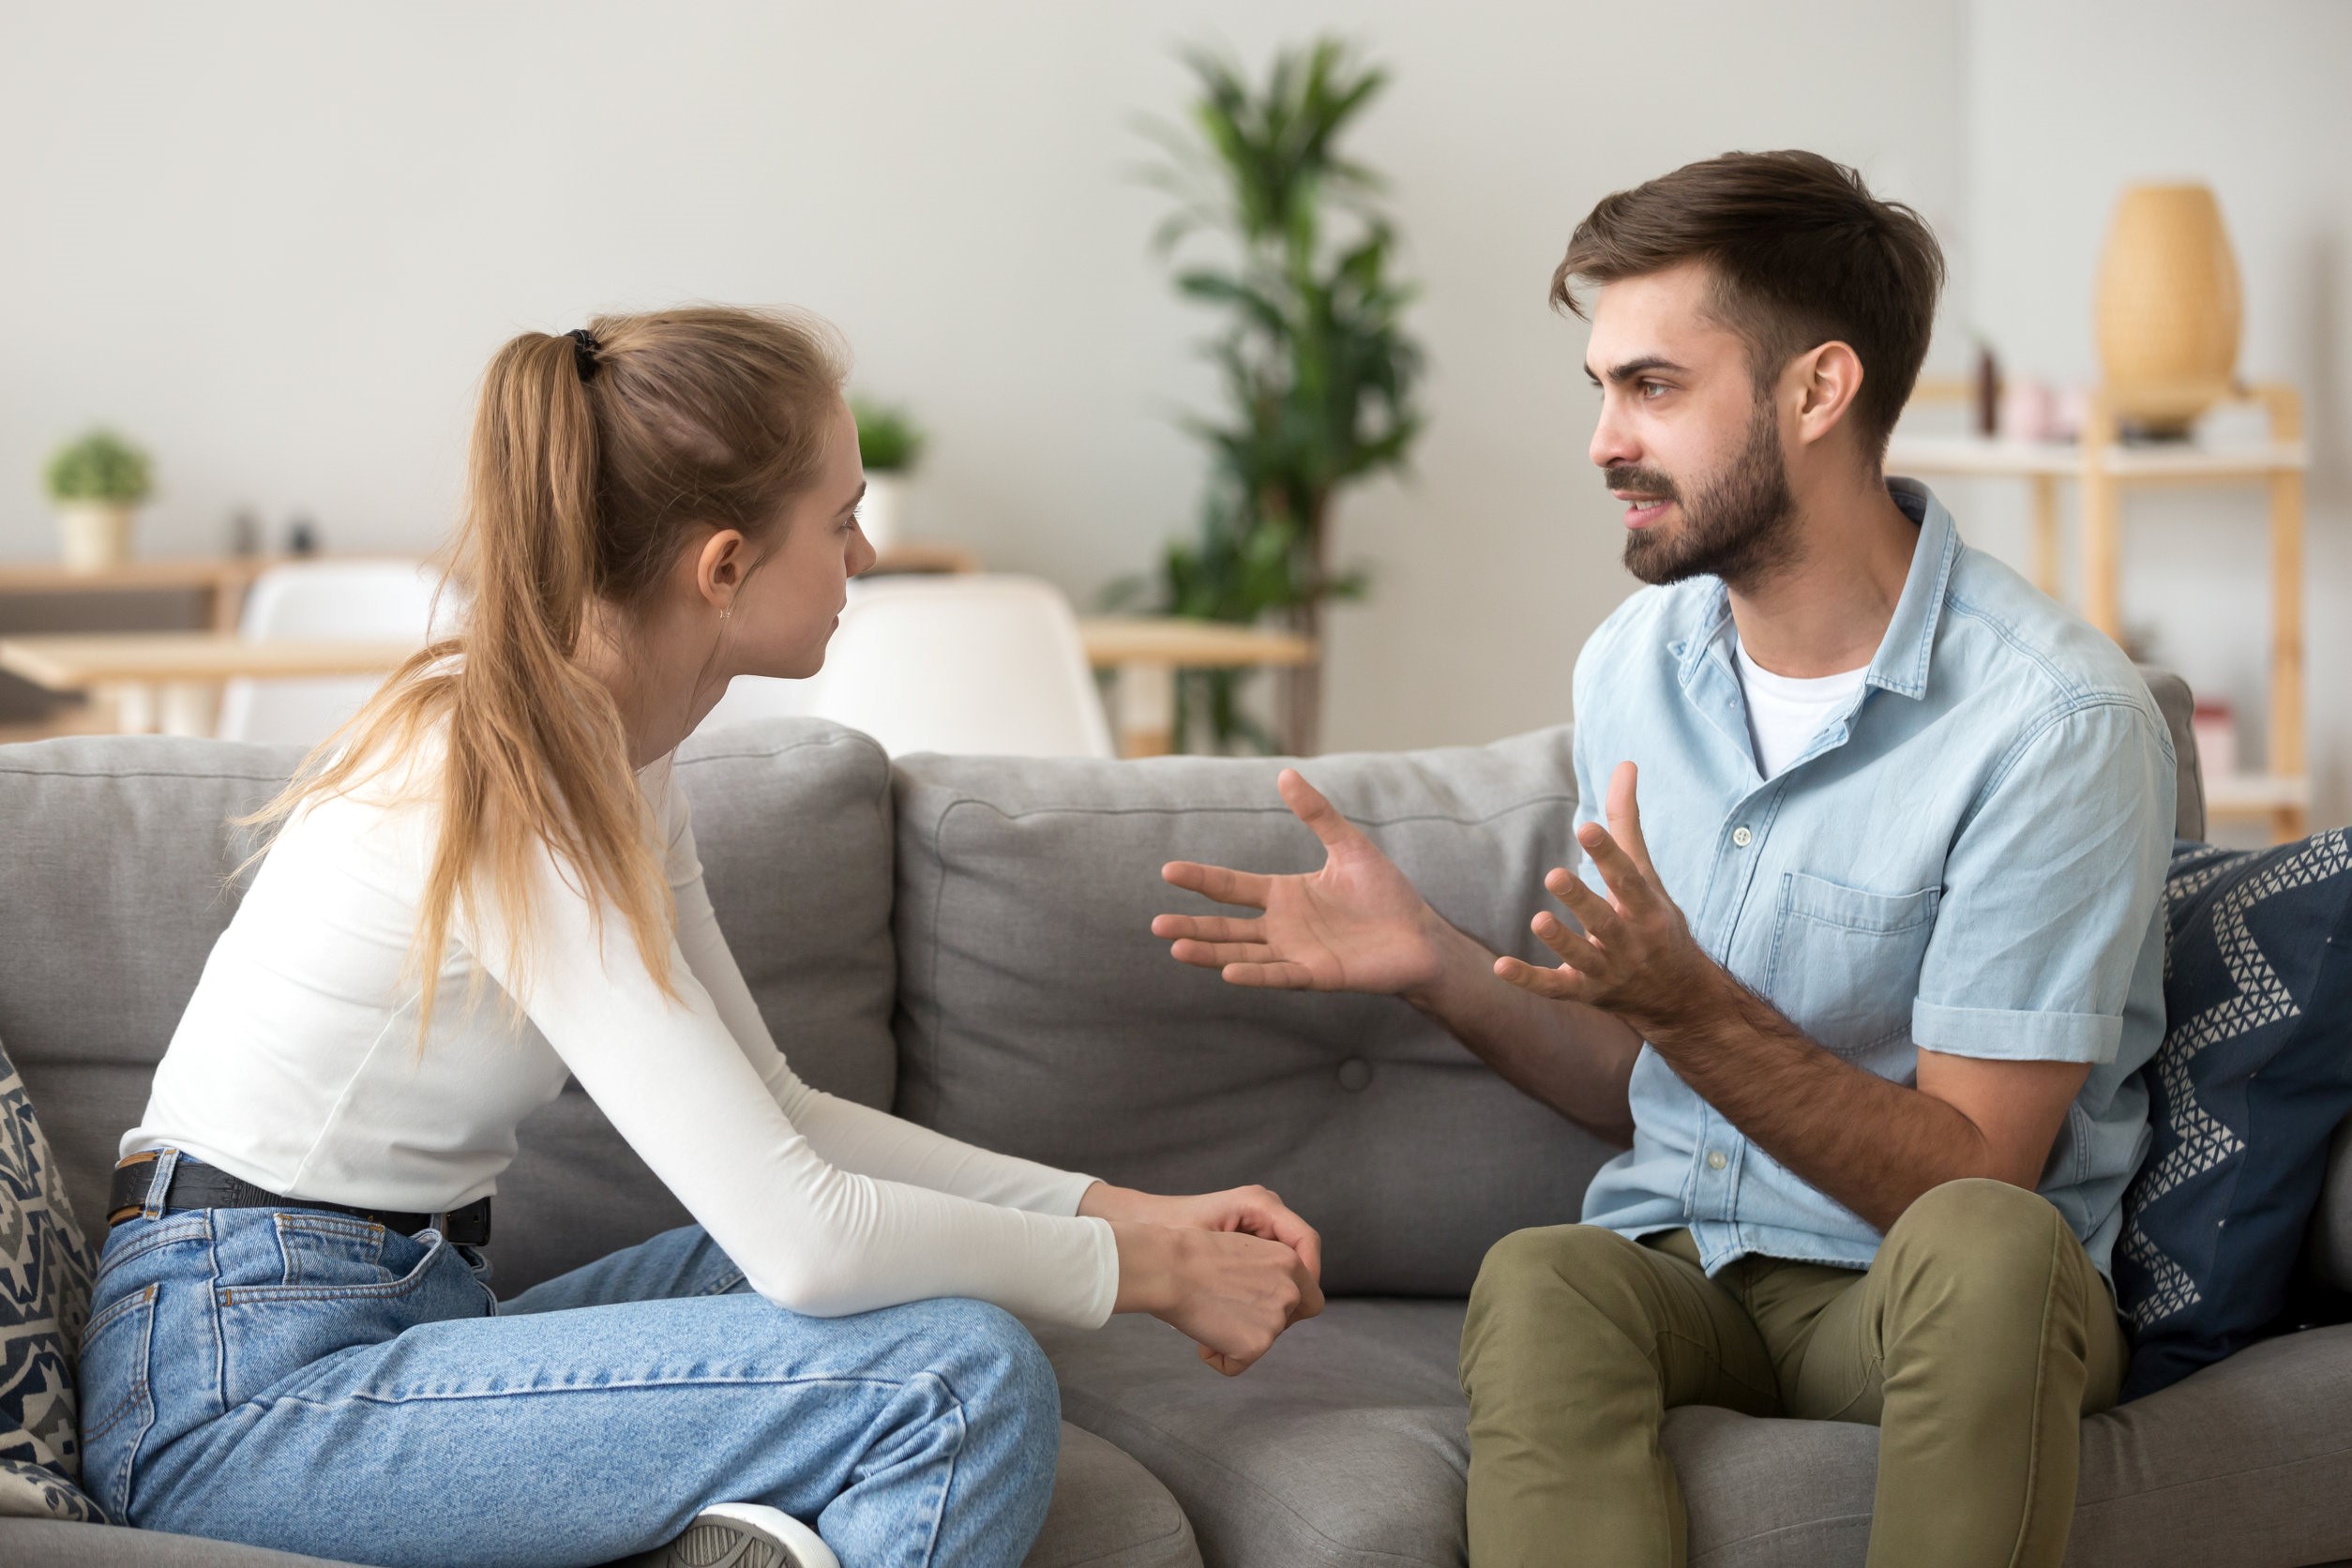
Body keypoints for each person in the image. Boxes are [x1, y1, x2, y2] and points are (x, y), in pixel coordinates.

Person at [81, 307, 1324, 1568]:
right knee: (955, 1378)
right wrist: (1143, 1273)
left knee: (884, 1286)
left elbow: (782, 1118)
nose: (868, 550)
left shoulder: (620, 752)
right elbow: (812, 1236)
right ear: (723, 566)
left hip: (388, 1316)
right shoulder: (513, 771)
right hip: (234, 1392)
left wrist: (1132, 1212)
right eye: (838, 522)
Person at [1150, 151, 2173, 1568]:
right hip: (1690, 1268)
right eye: (1602, 388)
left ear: (1818, 392)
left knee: (1995, 1251)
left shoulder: (2052, 722)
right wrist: (1436, 963)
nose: (1603, 440)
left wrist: (1684, 999)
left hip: (1922, 1296)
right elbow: (1643, 1071)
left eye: (1654, 386)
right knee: (1548, 1275)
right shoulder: (1637, 663)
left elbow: (1970, 1183)